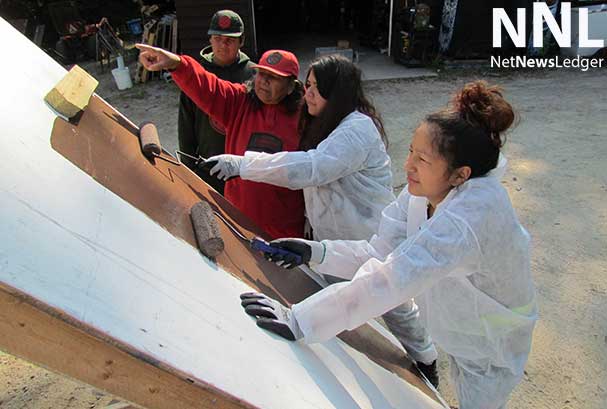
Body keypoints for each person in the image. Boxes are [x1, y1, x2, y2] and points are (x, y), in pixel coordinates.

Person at [241, 81, 538, 409]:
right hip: (459, 321)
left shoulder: (471, 216)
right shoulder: (419, 195)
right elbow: (377, 253)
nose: (408, 164)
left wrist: (301, 320)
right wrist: (316, 252)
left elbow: (391, 279)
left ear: (459, 175)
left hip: (492, 341)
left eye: (422, 159)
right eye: (411, 150)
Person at [207, 54, 438, 385]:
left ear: (336, 92)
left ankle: (426, 361)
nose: (308, 94)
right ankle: (343, 376)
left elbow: (312, 168)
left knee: (393, 305)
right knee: (341, 310)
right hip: (333, 240)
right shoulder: (322, 123)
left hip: (369, 238)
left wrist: (242, 165)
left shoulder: (358, 128)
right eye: (308, 86)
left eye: (315, 88)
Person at [136, 44, 306, 239]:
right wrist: (176, 64)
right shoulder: (239, 102)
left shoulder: (306, 117)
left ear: (291, 86)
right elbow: (208, 86)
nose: (264, 82)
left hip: (286, 233)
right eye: (260, 74)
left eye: (274, 77)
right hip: (239, 223)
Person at [178, 10, 255, 194]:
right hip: (208, 167)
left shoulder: (254, 74)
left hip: (243, 169)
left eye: (230, 40)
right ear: (210, 39)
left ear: (241, 41)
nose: (222, 45)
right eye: (218, 38)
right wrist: (189, 167)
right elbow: (186, 124)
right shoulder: (196, 76)